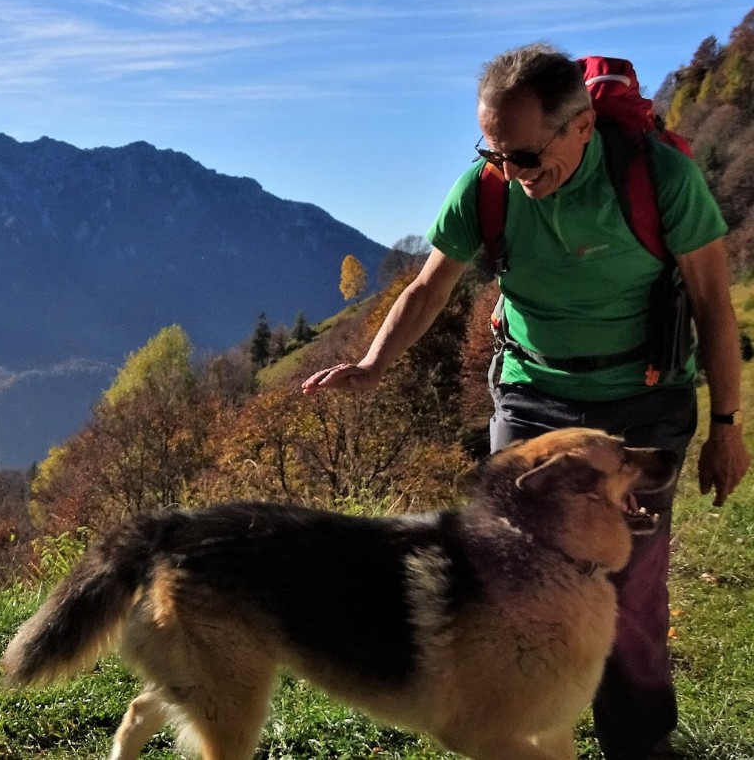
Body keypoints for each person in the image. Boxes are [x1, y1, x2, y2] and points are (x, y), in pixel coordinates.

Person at [301, 43, 749, 760]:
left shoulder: (660, 177)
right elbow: (429, 287)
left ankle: (639, 744)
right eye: (496, 152)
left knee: (628, 586)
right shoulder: (488, 185)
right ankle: (536, 732)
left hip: (640, 399)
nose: (513, 173)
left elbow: (712, 306)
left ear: (582, 127)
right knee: (512, 573)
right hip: (532, 396)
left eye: (528, 157)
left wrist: (727, 425)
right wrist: (373, 362)